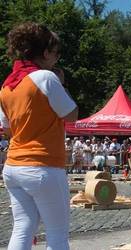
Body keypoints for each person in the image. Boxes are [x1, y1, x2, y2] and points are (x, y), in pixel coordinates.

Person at [0, 22, 78, 249]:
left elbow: (7, 129)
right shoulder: (46, 78)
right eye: (55, 53)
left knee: (23, 226)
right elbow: (71, 114)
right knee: (57, 233)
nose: (56, 58)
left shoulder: (7, 85)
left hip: (14, 166)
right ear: (44, 53)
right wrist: (62, 85)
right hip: (43, 165)